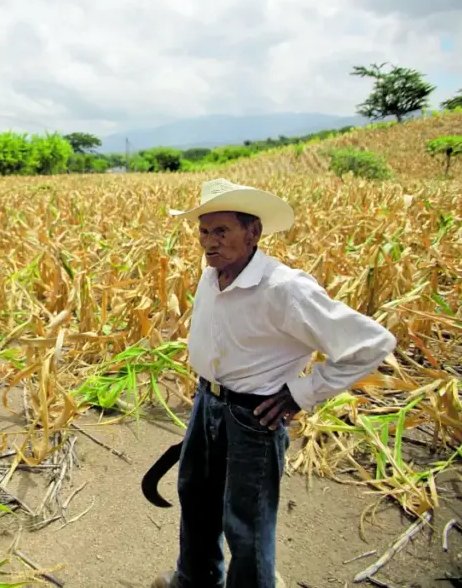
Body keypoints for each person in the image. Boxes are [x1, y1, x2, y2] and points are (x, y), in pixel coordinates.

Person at [152, 178, 397, 588]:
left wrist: (301, 393)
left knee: (246, 520)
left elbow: (372, 344)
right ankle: (195, 578)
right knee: (196, 498)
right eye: (204, 231)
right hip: (207, 404)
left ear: (253, 232)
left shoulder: (284, 288)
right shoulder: (212, 277)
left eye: (222, 231)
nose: (209, 242)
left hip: (255, 416)